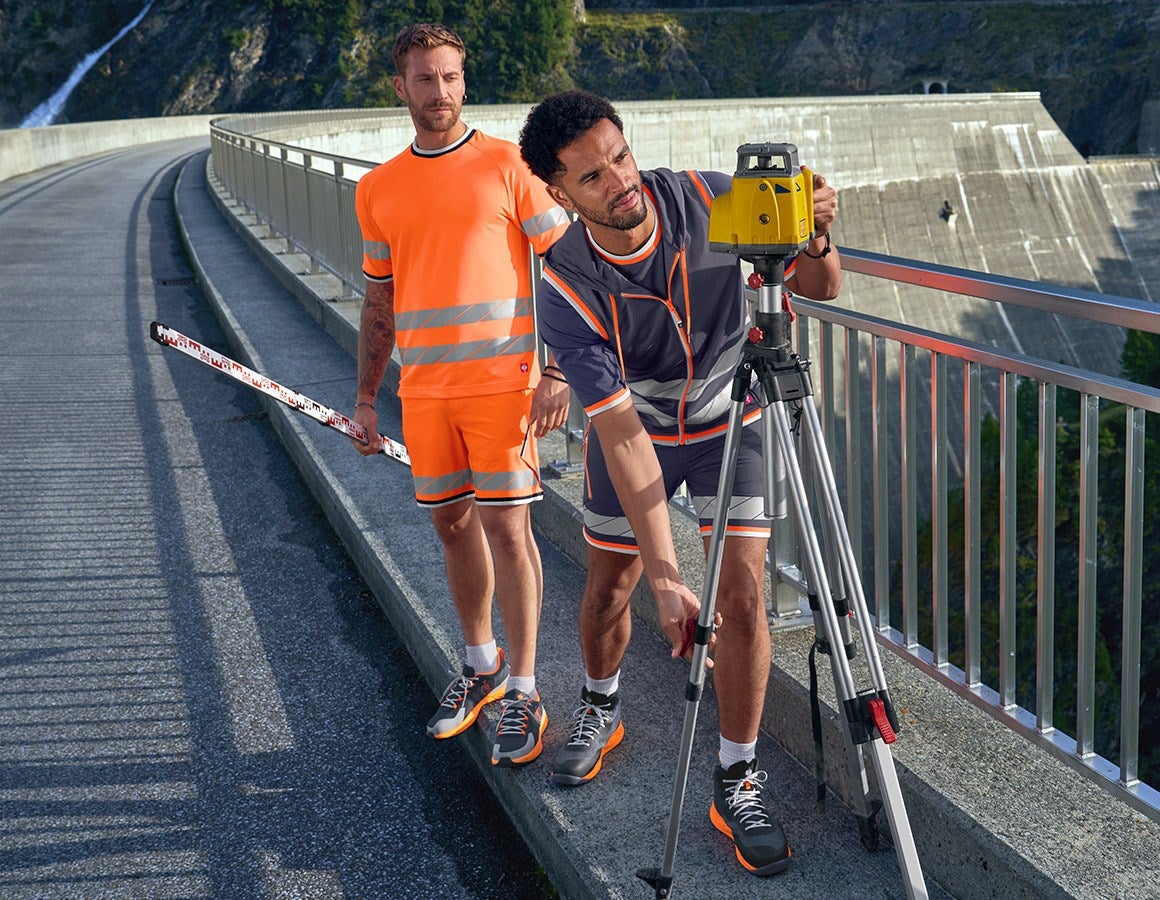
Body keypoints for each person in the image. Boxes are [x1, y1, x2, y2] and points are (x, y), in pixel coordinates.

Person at [518, 90, 841, 875]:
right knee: (611, 588)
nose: (619, 182)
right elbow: (622, 433)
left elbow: (824, 286)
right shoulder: (563, 280)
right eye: (592, 177)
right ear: (560, 194)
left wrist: (819, 230)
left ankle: (735, 775)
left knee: (741, 596)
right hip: (645, 431)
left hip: (737, 413)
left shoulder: (711, 198)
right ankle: (600, 706)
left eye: (620, 157)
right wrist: (667, 577)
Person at [351, 24, 570, 767]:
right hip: (426, 390)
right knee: (450, 528)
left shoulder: (509, 165)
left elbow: (569, 271)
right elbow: (378, 306)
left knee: (509, 531)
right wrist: (365, 400)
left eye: (450, 77)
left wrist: (561, 371)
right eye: (424, 79)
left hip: (503, 386)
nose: (439, 92)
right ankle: (480, 665)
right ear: (400, 87)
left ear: (462, 81)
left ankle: (526, 689)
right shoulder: (377, 189)